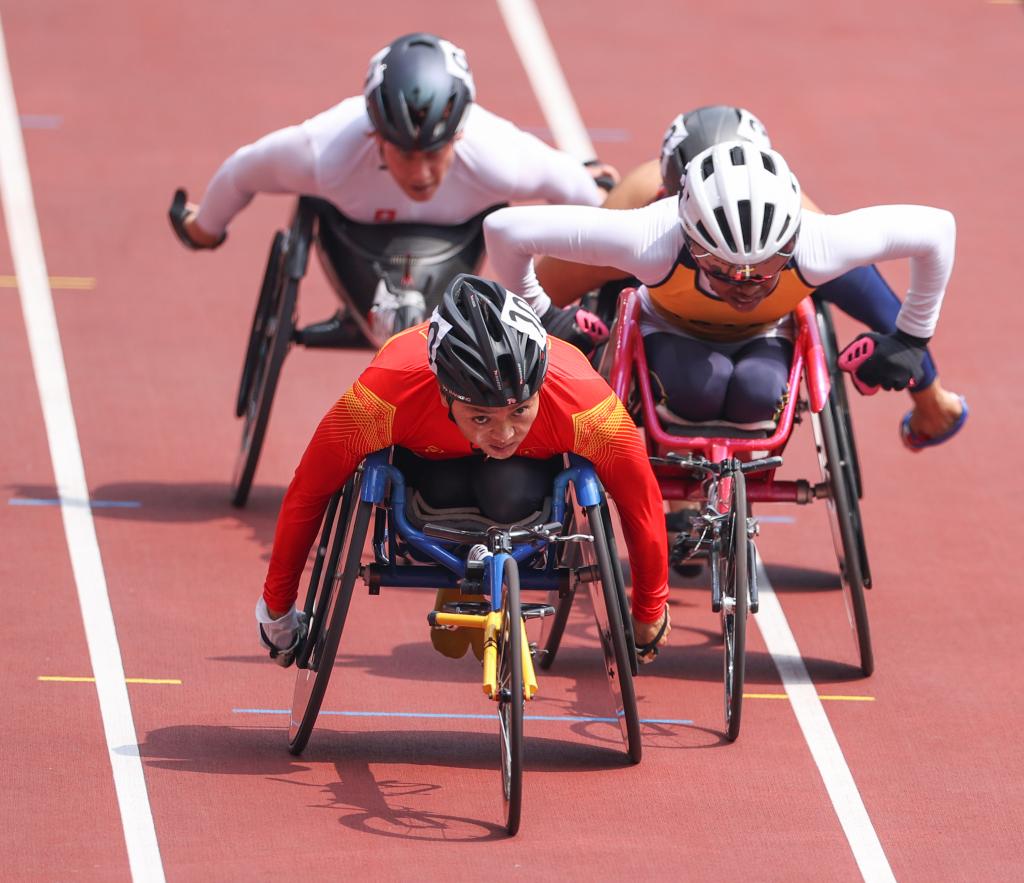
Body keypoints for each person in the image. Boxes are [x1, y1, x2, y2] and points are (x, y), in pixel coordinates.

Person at [255, 274, 671, 666]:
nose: (505, 433)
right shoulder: (384, 394)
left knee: (506, 484)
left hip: (525, 496)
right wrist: (277, 607)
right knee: (457, 483)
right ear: (443, 392)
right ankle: (462, 572)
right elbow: (310, 490)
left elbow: (641, 500)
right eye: (481, 417)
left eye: (520, 411)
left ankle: (487, 578)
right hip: (431, 491)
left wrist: (649, 610)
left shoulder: (585, 402)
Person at [534, 105, 967, 450]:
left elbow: (885, 292)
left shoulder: (804, 227)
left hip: (765, 299)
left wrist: (910, 344)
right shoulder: (641, 217)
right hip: (663, 295)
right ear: (672, 196)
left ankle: (933, 401)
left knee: (861, 289)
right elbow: (543, 291)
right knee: (607, 291)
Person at [173, 32, 614, 351]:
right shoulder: (326, 151)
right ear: (376, 137)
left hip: (455, 250)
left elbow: (579, 192)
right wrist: (205, 227)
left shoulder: (498, 153)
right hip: (352, 243)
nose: (421, 172)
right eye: (405, 153)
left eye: (434, 152)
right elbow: (241, 172)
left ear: (458, 135)